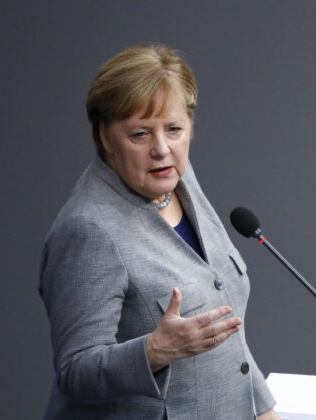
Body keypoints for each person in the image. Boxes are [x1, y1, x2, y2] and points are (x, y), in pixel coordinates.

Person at [39, 45, 280, 419]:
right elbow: (75, 372)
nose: (162, 149)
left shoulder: (177, 180)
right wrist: (153, 351)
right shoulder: (88, 230)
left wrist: (264, 411)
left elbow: (226, 332)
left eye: (174, 129)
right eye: (139, 134)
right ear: (105, 136)